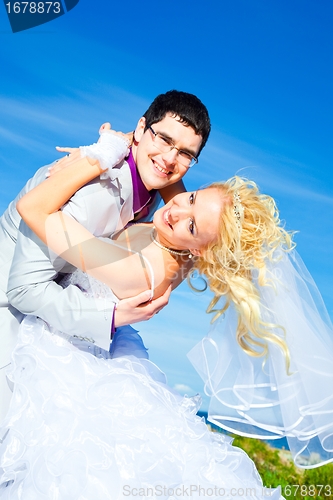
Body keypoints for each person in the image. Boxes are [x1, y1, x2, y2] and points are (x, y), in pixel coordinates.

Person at [15, 130, 333, 470]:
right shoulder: (179, 241)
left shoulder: (137, 271)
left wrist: (103, 153)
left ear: (201, 250)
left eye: (193, 227)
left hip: (61, 347)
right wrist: (132, 136)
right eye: (192, 197)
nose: (177, 211)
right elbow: (166, 173)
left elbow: (33, 207)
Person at [0, 90, 211, 420]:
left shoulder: (162, 201)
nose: (170, 159)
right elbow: (24, 289)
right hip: (9, 319)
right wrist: (109, 318)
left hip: (50, 319)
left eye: (185, 153)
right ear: (141, 129)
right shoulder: (92, 191)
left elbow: (183, 199)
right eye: (164, 139)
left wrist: (130, 142)